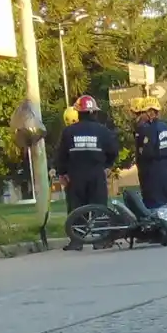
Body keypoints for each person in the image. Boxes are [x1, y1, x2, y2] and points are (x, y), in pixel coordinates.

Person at [55, 94, 120, 250]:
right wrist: (107, 165)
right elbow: (113, 151)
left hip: (75, 175)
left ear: (78, 112)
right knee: (99, 207)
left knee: (76, 208)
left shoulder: (69, 132)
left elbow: (61, 155)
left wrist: (62, 173)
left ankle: (77, 241)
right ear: (94, 112)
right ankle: (100, 240)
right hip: (97, 174)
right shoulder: (103, 131)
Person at [133, 103, 167, 210]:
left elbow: (147, 151)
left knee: (157, 201)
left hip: (155, 168)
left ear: (150, 113)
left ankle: (162, 224)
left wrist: (141, 152)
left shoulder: (151, 129)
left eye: (144, 113)